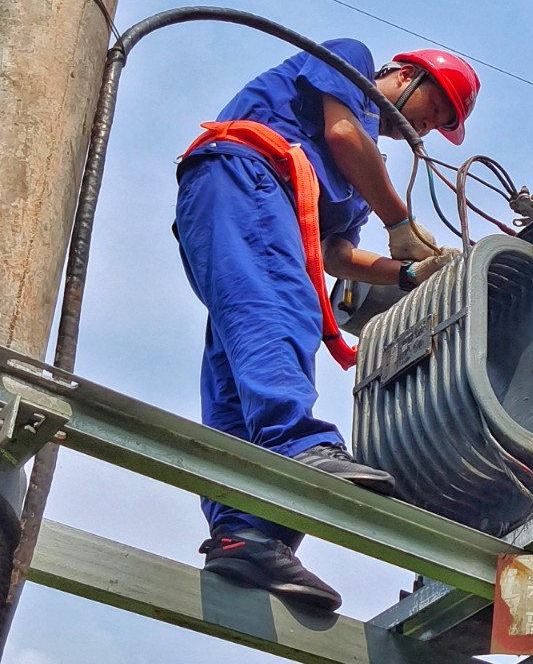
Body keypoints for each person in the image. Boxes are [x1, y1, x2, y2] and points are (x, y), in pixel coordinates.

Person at [173, 40, 479, 611]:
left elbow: (336, 254)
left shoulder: (360, 184)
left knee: (238, 361)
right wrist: (401, 221)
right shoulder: (350, 63)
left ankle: (246, 533)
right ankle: (298, 444)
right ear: (404, 75)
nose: (428, 127)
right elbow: (340, 134)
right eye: (435, 108)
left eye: (441, 125)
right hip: (246, 177)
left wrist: (410, 273)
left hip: (263, 215)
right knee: (279, 313)